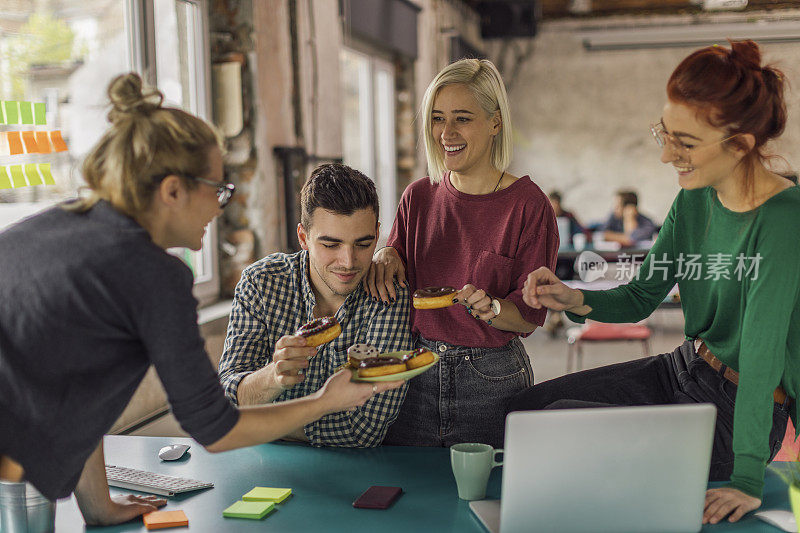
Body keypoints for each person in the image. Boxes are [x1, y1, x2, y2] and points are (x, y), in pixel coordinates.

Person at [0, 73, 400, 527]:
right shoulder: (152, 274)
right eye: (217, 189)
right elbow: (215, 427)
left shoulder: (59, 226)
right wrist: (326, 400)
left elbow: (78, 387)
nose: (219, 207)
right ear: (173, 190)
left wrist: (99, 508)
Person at [511, 40, 799, 525]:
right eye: (663, 134)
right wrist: (573, 298)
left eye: (683, 143)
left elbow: (762, 355)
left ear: (741, 144)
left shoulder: (784, 221)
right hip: (682, 369)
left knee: (558, 425)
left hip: (734, 412)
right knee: (525, 411)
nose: (667, 155)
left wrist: (748, 479)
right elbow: (643, 294)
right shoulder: (695, 199)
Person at [364, 58, 559, 448]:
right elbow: (393, 260)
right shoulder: (417, 197)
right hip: (412, 373)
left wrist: (495, 309)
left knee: (490, 495)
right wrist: (386, 254)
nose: (446, 132)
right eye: (437, 118)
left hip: (491, 379)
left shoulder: (528, 205)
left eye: (463, 119)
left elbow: (528, 317)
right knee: (412, 493)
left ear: (496, 122)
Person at [218, 163, 411, 447]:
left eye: (363, 244)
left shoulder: (388, 294)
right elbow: (226, 405)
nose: (348, 261)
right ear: (303, 237)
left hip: (353, 473)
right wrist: (274, 376)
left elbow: (363, 431)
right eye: (331, 245)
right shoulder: (261, 282)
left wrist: (260, 423)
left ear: (377, 233)